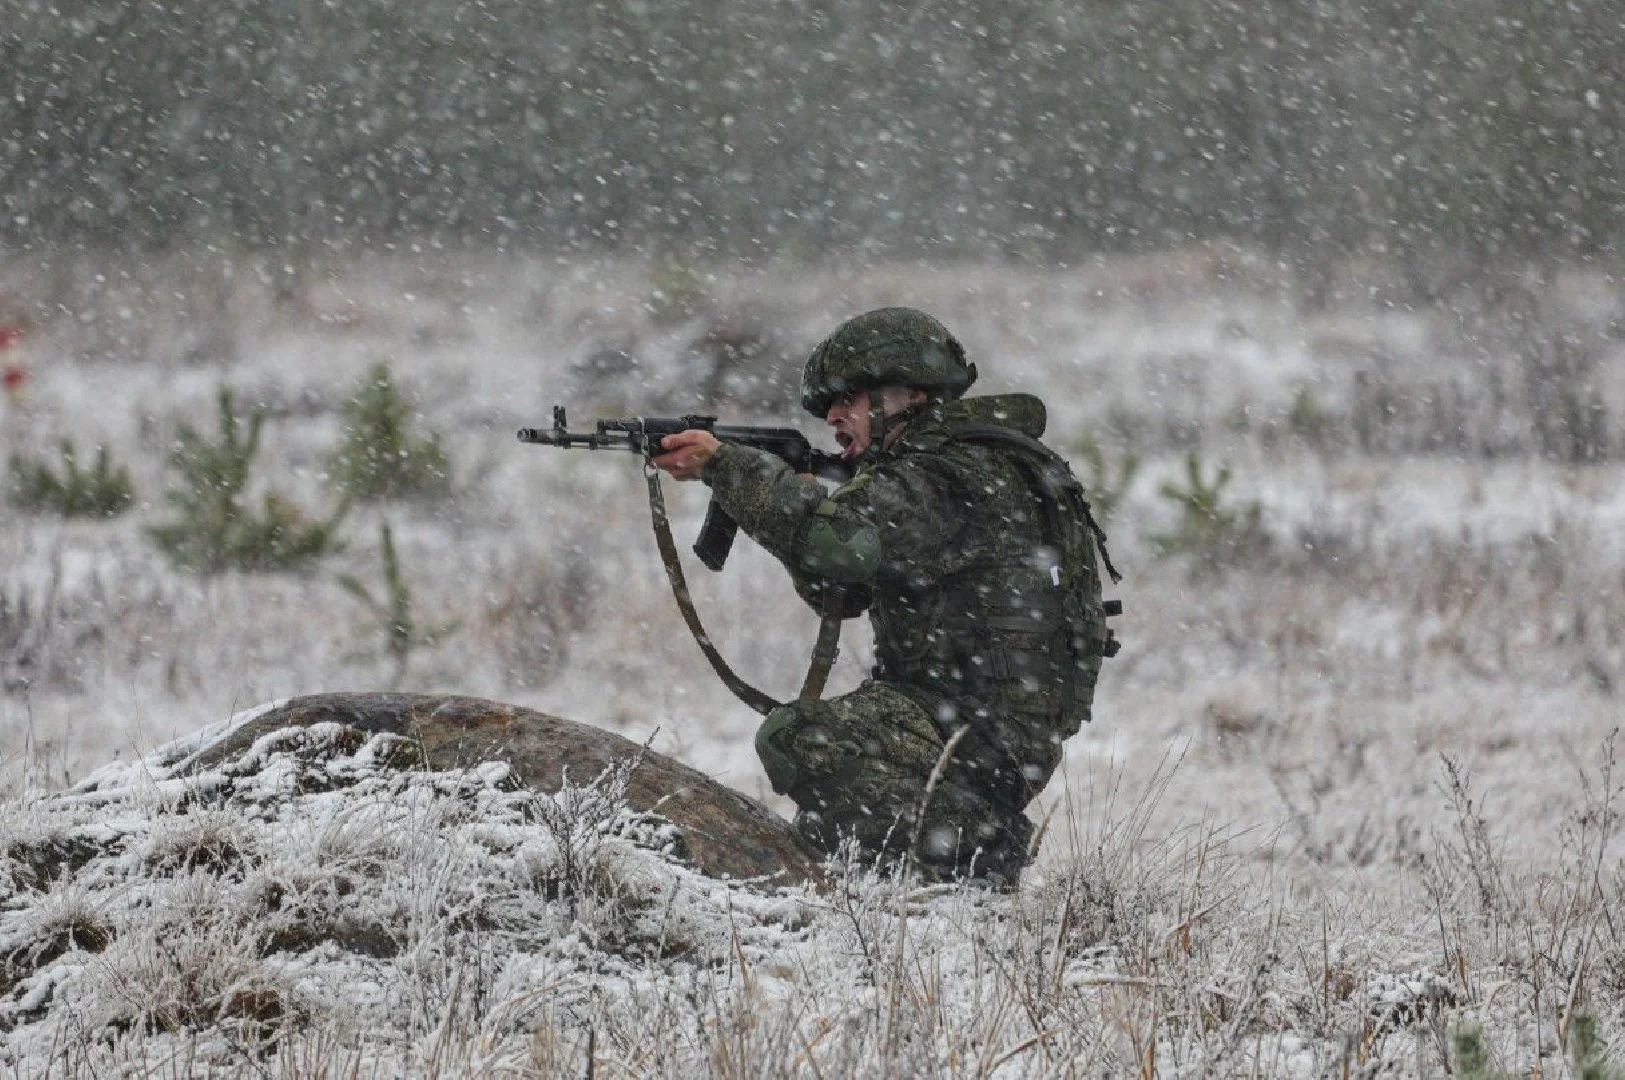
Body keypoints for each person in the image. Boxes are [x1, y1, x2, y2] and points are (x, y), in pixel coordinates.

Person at [652, 307, 1118, 883]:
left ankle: (977, 853)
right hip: (973, 719)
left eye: (848, 399)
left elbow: (836, 545)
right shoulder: (949, 465)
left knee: (801, 740)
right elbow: (841, 591)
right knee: (823, 804)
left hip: (980, 731)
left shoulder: (946, 474)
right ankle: (911, 869)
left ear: (908, 395)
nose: (833, 417)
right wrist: (788, 501)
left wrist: (729, 468)